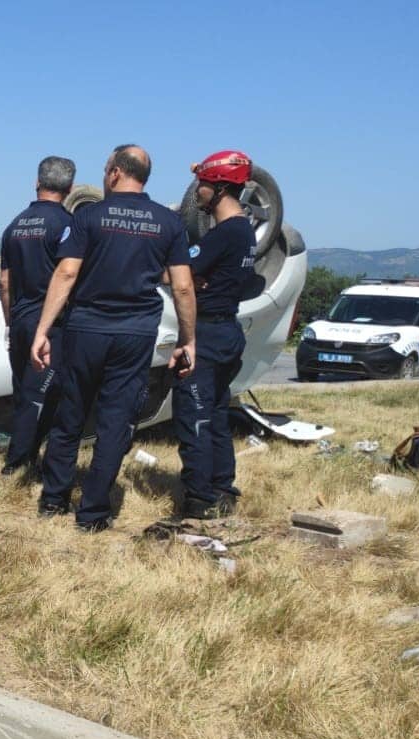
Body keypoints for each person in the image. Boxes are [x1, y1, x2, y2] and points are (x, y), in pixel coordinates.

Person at [31, 145, 198, 531]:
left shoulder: (89, 216)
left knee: (69, 415)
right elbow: (184, 288)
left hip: (86, 329)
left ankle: (53, 500)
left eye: (106, 168)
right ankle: (92, 514)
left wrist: (42, 331)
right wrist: (188, 340)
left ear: (116, 173)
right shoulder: (169, 224)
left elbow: (67, 274)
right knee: (114, 423)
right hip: (134, 335)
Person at [174, 150, 263, 519]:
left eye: (204, 184)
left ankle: (199, 499)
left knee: (192, 413)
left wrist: (186, 275)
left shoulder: (224, 234)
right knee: (215, 414)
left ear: (222, 188)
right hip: (228, 330)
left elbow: (176, 274)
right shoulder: (244, 231)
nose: (198, 191)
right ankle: (223, 489)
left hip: (208, 333)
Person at [0, 155, 75, 477]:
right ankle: (17, 465)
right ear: (69, 187)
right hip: (51, 324)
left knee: (24, 393)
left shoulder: (14, 225)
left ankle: (25, 457)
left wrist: (10, 321)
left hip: (19, 319)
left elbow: (4, 282)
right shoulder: (69, 225)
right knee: (41, 396)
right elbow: (70, 274)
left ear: (37, 182)